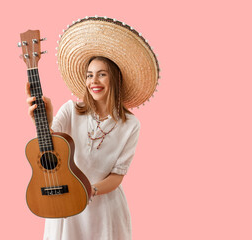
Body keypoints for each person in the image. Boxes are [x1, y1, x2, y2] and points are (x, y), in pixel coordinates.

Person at [26, 16, 160, 240]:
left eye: (101, 74)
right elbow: (49, 150)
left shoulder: (131, 125)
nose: (93, 81)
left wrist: (90, 190)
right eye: (89, 75)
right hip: (65, 203)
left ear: (114, 78)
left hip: (104, 209)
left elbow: (118, 174)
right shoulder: (71, 110)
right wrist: (44, 121)